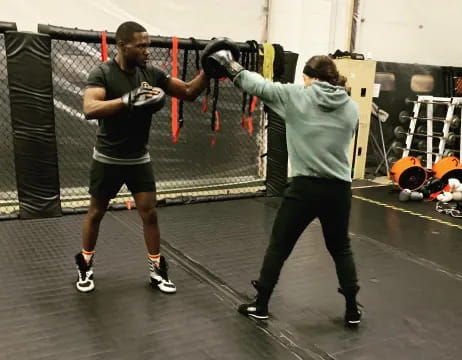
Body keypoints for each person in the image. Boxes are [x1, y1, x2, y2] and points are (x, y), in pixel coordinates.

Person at [202, 43, 361, 326]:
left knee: (279, 246)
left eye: (305, 79)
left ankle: (261, 305)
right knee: (341, 248)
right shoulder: (351, 108)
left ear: (310, 77)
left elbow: (257, 85)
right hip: (338, 190)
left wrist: (229, 63)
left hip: (305, 188)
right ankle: (352, 309)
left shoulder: (297, 96)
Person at [75, 21, 208, 294]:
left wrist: (210, 70)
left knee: (149, 214)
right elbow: (90, 107)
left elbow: (188, 92)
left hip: (138, 158)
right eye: (142, 45)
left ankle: (157, 269)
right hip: (108, 158)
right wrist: (127, 100)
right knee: (96, 212)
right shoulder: (103, 72)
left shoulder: (151, 72)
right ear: (123, 46)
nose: (148, 50)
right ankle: (85, 262)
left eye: (149, 44)